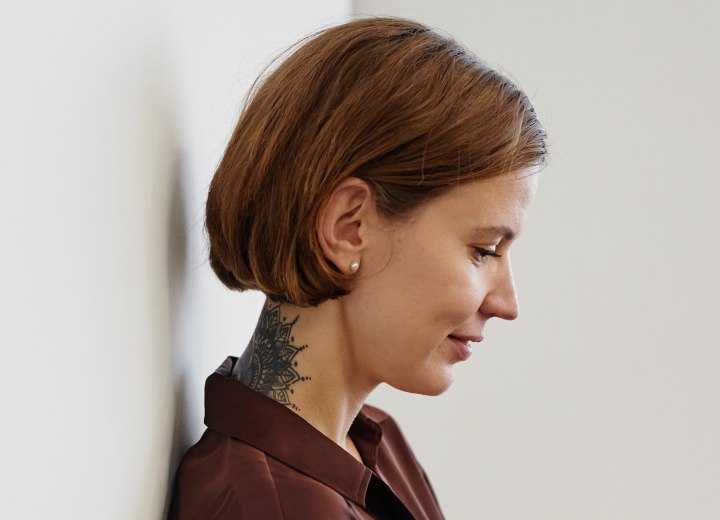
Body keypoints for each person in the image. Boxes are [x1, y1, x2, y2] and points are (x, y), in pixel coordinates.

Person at [168, 15, 547, 520]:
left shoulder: (377, 443)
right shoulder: (275, 507)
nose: (507, 303)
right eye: (483, 250)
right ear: (350, 226)